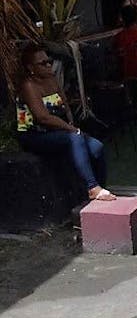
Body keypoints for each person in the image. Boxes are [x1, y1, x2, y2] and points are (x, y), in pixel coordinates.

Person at [16, 42, 113, 201]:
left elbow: (65, 105)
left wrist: (71, 124)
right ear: (30, 68)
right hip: (35, 135)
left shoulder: (52, 80)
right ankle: (92, 187)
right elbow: (42, 117)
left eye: (49, 61)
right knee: (74, 137)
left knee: (97, 147)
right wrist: (70, 129)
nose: (48, 65)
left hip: (57, 131)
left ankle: (101, 188)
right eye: (43, 63)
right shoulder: (29, 86)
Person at [113, 4, 137, 117]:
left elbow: (115, 52)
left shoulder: (120, 36)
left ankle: (132, 104)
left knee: (128, 85)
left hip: (126, 70)